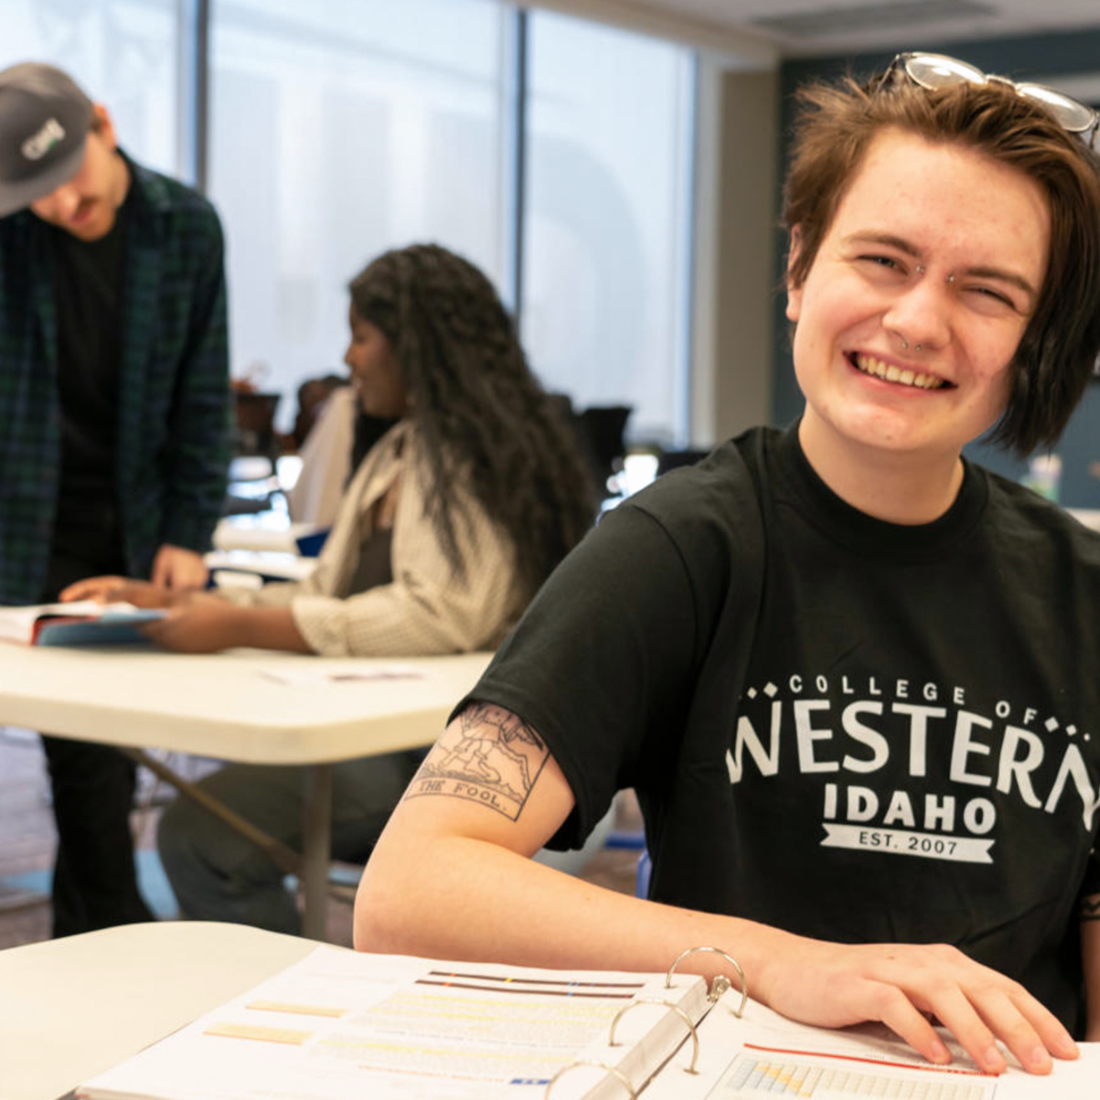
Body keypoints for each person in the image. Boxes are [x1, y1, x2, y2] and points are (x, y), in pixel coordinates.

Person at [354, 54, 1100, 1076]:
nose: (917, 321)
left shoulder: (1080, 590)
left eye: (986, 291)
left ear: (1035, 339)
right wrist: (777, 962)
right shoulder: (681, 545)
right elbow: (410, 886)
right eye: (882, 260)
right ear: (798, 270)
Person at [66, 242, 596, 933]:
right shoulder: (401, 452)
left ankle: (297, 1015)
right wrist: (187, 603)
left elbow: (441, 616)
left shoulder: (461, 460)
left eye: (361, 336)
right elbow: (325, 593)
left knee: (200, 838)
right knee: (204, 830)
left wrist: (240, 628)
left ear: (414, 344)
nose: (348, 359)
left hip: (458, 757)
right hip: (404, 737)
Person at [0, 62, 230, 935]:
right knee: (71, 754)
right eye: (37, 195)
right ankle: (100, 927)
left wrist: (188, 527)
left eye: (68, 179)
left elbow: (202, 395)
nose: (61, 206)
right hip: (22, 515)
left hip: (128, 529)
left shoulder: (185, 228)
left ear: (103, 124)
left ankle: (98, 931)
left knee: (93, 750)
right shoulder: (13, 233)